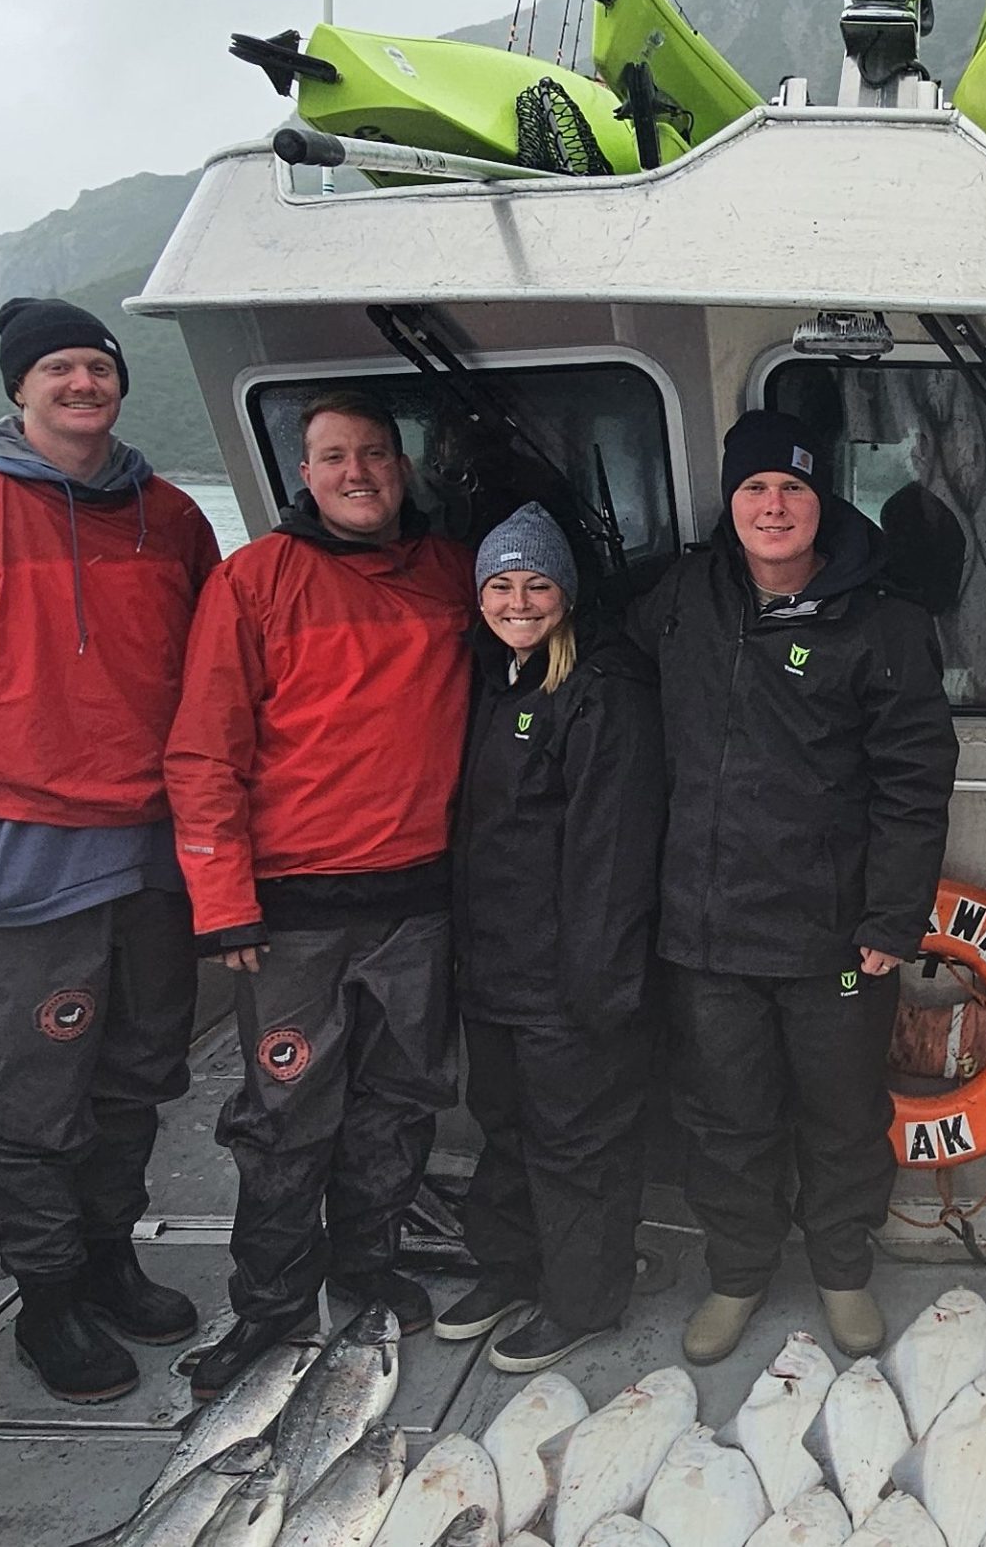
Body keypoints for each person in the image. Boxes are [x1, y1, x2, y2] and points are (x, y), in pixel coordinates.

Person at [0, 299, 220, 1403]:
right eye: (59, 368)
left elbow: (215, 678)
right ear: (20, 387)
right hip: (22, 867)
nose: (83, 384)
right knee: (28, 1102)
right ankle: (49, 1298)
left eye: (99, 367)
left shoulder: (172, 517)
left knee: (135, 1078)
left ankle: (110, 1258)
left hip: (154, 856)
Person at [627, 408, 957, 1366]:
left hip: (834, 934)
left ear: (822, 501)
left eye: (793, 488)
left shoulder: (885, 623)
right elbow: (606, 672)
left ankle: (843, 1269)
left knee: (844, 1116)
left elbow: (914, 781)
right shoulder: (683, 596)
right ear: (731, 502)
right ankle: (737, 1273)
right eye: (755, 488)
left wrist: (892, 918)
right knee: (723, 1120)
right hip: (707, 930)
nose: (773, 506)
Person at [164, 391, 473, 1397]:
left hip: (418, 903)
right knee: (286, 1114)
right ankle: (270, 1302)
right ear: (305, 474)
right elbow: (203, 751)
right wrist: (223, 901)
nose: (357, 473)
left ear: (402, 468)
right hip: (292, 913)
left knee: (399, 1100)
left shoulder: (453, 574)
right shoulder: (253, 581)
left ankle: (367, 1267)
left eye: (375, 454)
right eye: (335, 456)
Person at [436, 504, 665, 1374]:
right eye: (501, 585)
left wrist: (598, 986)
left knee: (577, 1141)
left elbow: (612, 853)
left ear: (566, 593)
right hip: (494, 967)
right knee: (503, 1127)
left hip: (568, 977)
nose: (519, 602)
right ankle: (510, 1268)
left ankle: (582, 1300)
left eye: (537, 584)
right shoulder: (493, 682)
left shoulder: (602, 692)